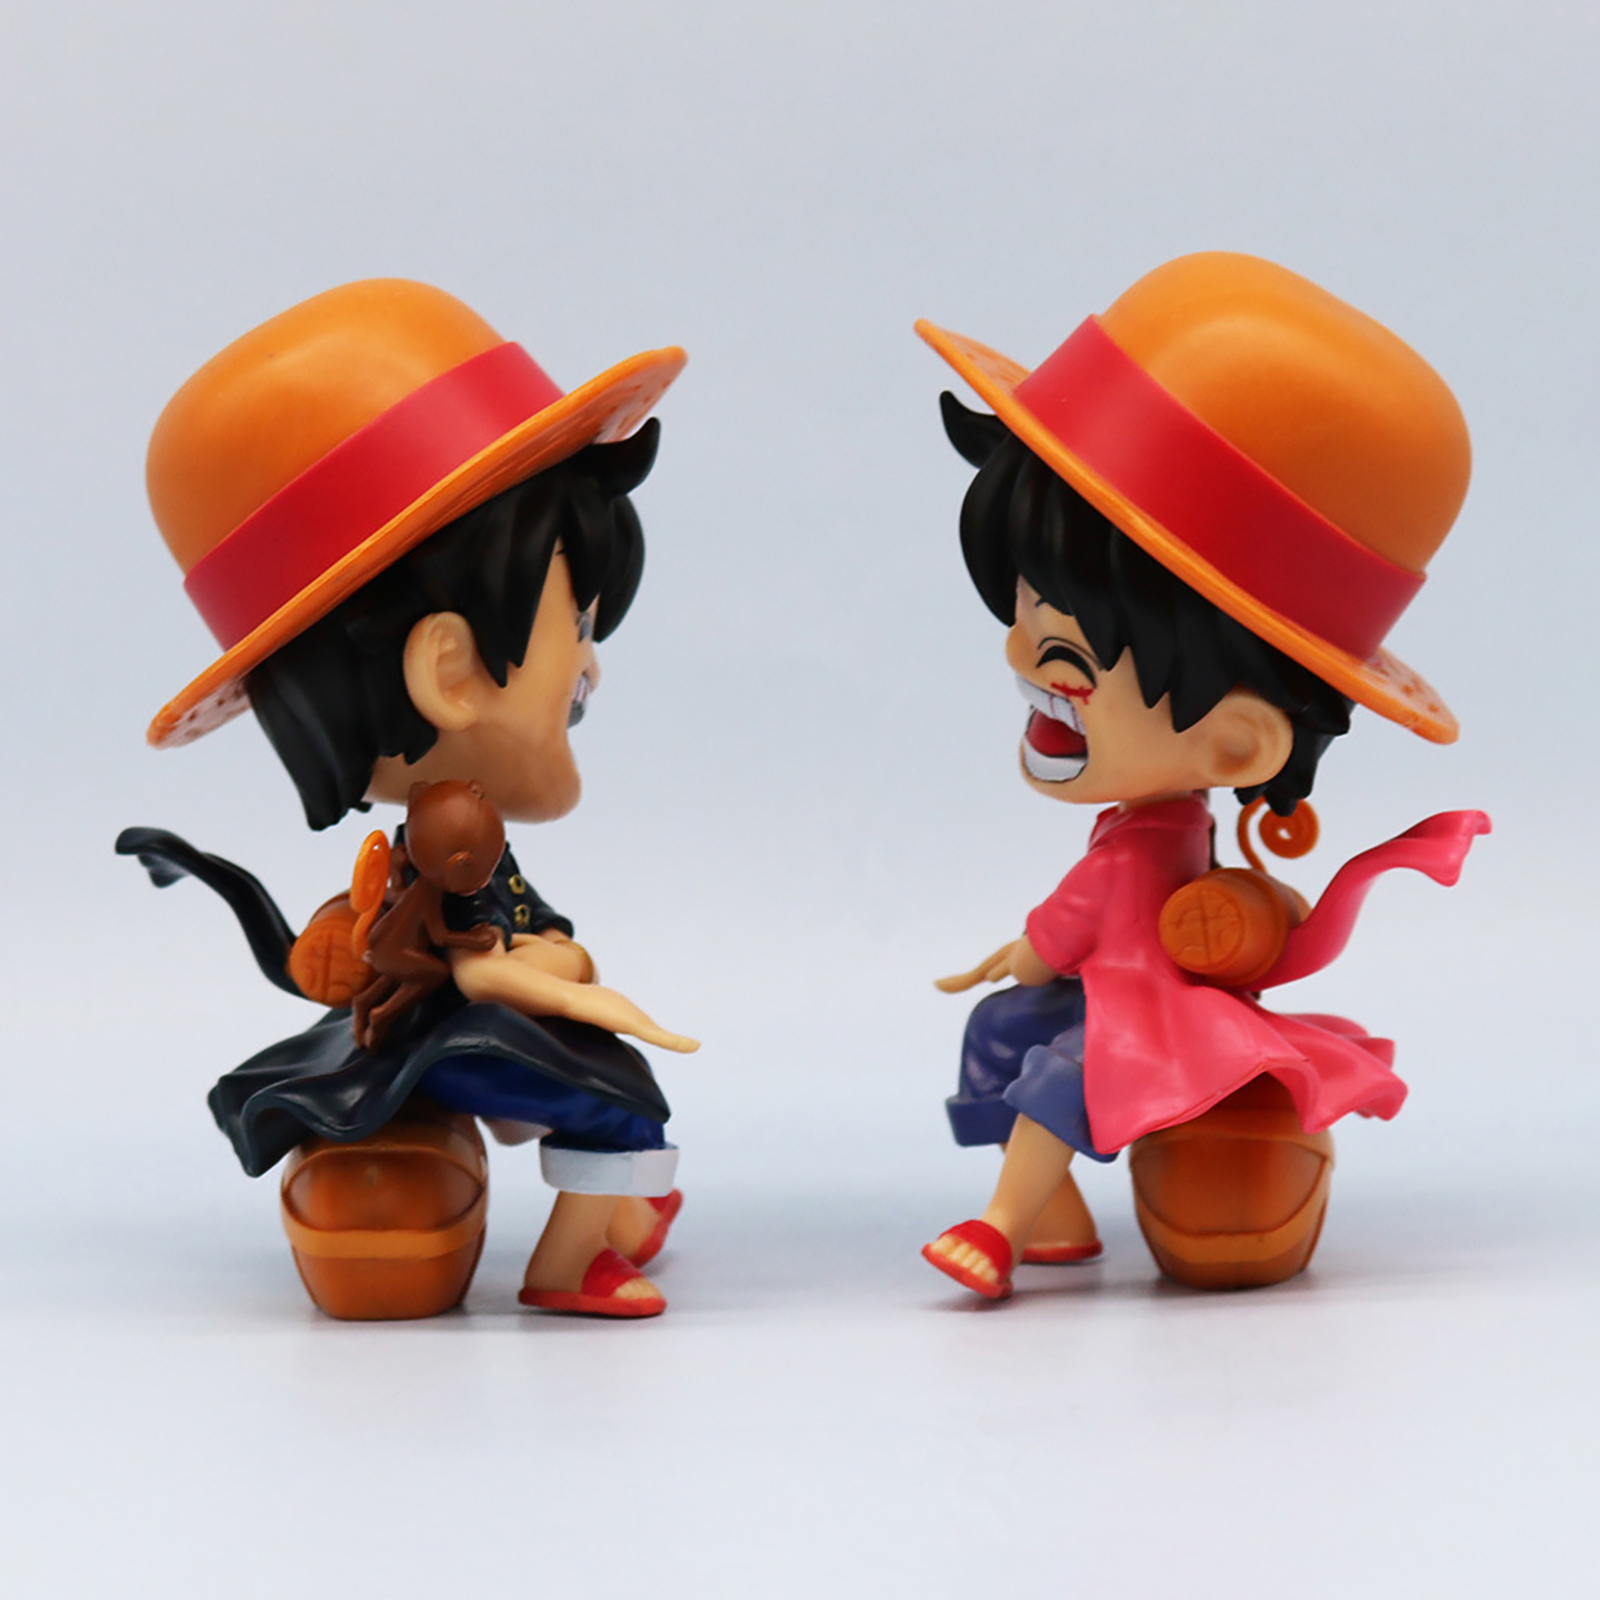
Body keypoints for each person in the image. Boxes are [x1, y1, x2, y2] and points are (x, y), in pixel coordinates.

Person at [915, 253, 1489, 1299]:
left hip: (1149, 1012)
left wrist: (1032, 952)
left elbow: (1076, 919)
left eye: (1064, 650)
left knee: (1055, 1071)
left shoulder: (1143, 841)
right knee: (1000, 1034)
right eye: (1024, 612)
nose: (1017, 656)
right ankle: (1056, 1216)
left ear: (1234, 746)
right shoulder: (1161, 822)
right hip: (1122, 990)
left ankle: (1002, 1223)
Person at [121, 278, 696, 1319]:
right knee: (621, 1102)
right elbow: (474, 957)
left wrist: (554, 960)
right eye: (576, 633)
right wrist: (550, 976)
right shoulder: (439, 850)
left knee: (586, 1071)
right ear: (451, 670)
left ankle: (612, 1214)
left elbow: (511, 929)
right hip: (437, 1037)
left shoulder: (452, 838)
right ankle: (572, 1262)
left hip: (442, 1026)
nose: (590, 670)